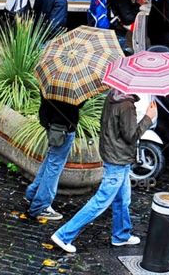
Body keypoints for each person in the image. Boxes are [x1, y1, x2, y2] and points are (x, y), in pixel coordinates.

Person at [50, 90, 157, 253]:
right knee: (100, 202)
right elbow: (131, 136)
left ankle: (121, 235)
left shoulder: (113, 96)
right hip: (118, 161)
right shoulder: (126, 105)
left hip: (114, 156)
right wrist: (149, 117)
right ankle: (64, 235)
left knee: (123, 199)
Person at [24, 97, 85, 221]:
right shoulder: (72, 84)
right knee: (54, 167)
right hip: (64, 128)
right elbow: (78, 104)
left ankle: (33, 194)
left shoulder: (51, 80)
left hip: (51, 124)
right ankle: (41, 206)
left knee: (50, 162)